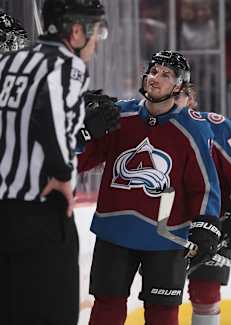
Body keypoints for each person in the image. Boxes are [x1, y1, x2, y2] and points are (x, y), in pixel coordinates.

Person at [78, 50, 222, 325]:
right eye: (154, 71)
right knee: (107, 308)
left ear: (179, 86)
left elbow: (204, 186)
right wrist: (81, 130)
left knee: (163, 315)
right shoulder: (118, 115)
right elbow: (81, 161)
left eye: (166, 75)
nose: (156, 78)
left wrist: (206, 224)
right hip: (114, 230)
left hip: (166, 237)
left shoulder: (194, 130)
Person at [0, 1, 109, 324]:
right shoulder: (67, 65)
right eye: (96, 31)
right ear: (76, 31)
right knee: (53, 314)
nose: (97, 40)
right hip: (40, 212)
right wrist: (62, 171)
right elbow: (50, 115)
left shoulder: (9, 62)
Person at [175, 84, 231, 325]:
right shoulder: (153, 127)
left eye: (180, 95)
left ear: (191, 99)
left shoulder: (216, 126)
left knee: (205, 294)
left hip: (210, 224)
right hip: (169, 227)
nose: (174, 100)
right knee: (162, 294)